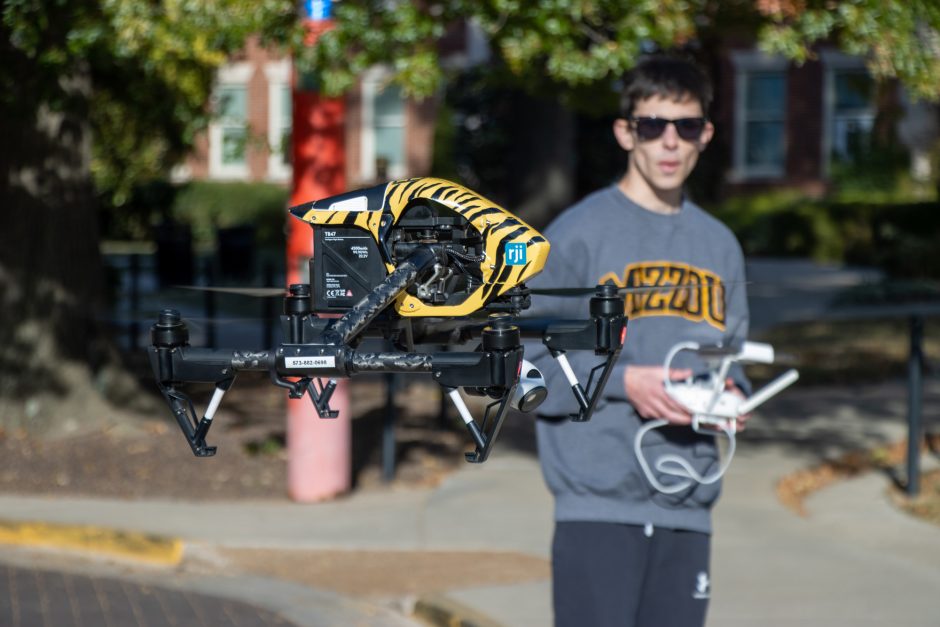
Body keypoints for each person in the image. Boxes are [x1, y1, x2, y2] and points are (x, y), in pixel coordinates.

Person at [525, 54, 751, 627]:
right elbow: (521, 368)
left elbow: (734, 358)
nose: (670, 143)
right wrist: (624, 382)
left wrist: (730, 400)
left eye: (687, 127)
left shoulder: (720, 245)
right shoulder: (576, 236)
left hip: (689, 502)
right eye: (653, 126)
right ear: (626, 132)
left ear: (707, 134)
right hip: (597, 503)